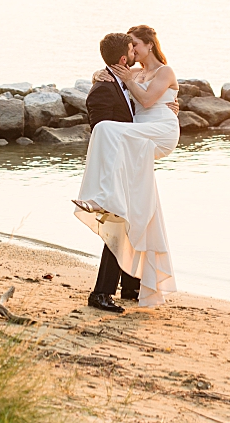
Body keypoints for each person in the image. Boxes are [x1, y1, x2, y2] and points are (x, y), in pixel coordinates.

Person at [73, 24, 180, 309]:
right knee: (138, 212)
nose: (132, 50)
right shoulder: (129, 73)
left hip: (154, 134)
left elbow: (145, 99)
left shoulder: (160, 72)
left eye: (135, 44)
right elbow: (108, 78)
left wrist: (125, 78)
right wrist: (103, 72)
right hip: (134, 146)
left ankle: (100, 197)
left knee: (123, 210)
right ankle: (133, 285)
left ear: (148, 45)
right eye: (129, 47)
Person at [83, 32, 142, 313]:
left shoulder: (122, 81)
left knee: (132, 224)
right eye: (132, 50)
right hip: (114, 171)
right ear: (123, 58)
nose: (136, 54)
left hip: (130, 168)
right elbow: (101, 134)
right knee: (118, 228)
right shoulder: (103, 90)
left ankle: (130, 285)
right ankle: (101, 293)